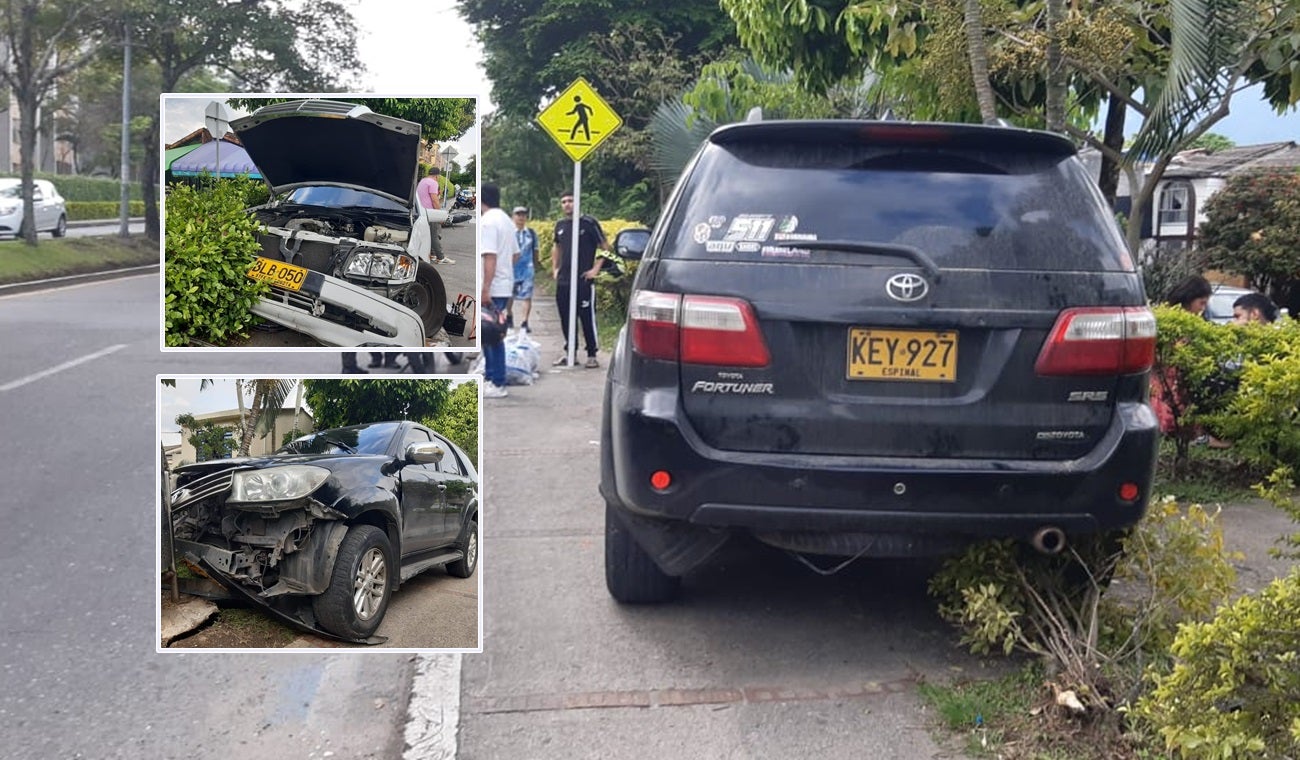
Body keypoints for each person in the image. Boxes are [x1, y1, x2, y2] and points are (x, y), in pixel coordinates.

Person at [551, 191, 608, 368]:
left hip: (583, 280)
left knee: (586, 317)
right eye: (564, 201)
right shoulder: (560, 225)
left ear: (577, 202)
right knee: (566, 317)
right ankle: (570, 353)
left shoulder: (589, 223)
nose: (567, 204)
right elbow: (557, 246)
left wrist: (595, 269)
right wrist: (555, 268)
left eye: (570, 201)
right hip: (564, 280)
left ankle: (592, 354)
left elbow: (605, 247)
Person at [479, 183, 519, 398]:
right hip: (503, 285)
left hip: (492, 288)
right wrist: (505, 273)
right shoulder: (505, 220)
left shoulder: (488, 222)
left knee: (492, 335)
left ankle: (497, 382)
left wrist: (486, 288)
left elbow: (490, 257)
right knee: (492, 333)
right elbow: (515, 255)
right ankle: (492, 376)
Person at [510, 206, 538, 334]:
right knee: (509, 296)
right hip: (511, 269)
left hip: (527, 269)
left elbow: (535, 251)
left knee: (527, 296)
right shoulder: (509, 233)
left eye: (523, 215)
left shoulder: (531, 233)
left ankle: (524, 322)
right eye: (518, 214)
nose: (521, 217)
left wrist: (535, 266)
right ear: (513, 216)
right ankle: (509, 316)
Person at [417, 166, 453, 265]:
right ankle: (440, 258)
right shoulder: (433, 183)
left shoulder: (422, 181)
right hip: (431, 213)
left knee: (428, 235)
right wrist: (439, 214)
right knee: (435, 235)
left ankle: (432, 254)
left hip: (422, 212)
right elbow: (434, 200)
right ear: (437, 176)